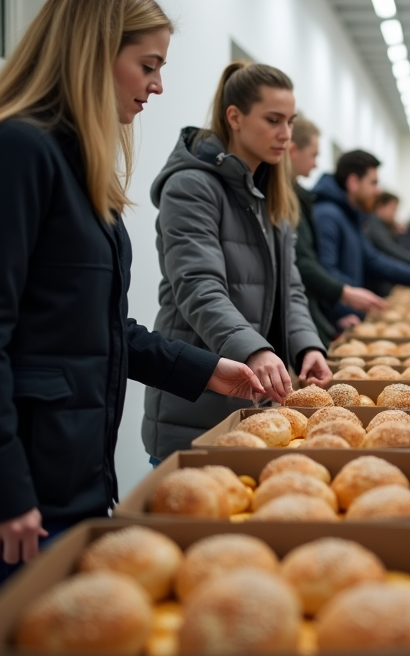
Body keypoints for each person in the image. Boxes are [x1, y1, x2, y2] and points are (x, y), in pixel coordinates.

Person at [0, 0, 263, 619]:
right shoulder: (15, 152)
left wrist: (208, 370)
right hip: (19, 491)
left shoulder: (77, 163)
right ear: (93, 52)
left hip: (73, 476)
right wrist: (1, 491)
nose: (159, 85)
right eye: (147, 65)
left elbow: (104, 330)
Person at [142, 62, 331, 461]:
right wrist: (254, 350)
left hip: (256, 404)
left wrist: (305, 346)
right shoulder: (191, 186)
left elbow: (290, 287)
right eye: (273, 120)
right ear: (235, 117)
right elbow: (198, 286)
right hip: (196, 404)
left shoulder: (270, 193)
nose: (285, 134)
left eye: (290, 122)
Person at [313, 150, 410, 323]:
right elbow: (324, 272)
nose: (377, 191)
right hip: (336, 320)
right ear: (353, 182)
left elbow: (373, 260)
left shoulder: (350, 216)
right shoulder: (328, 215)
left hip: (349, 315)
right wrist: (341, 313)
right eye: (373, 183)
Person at [289, 116, 387, 345]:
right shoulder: (327, 214)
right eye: (314, 155)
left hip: (321, 324)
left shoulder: (347, 214)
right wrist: (337, 312)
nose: (316, 164)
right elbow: (312, 270)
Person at [365, 192, 410, 296]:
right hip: (375, 283)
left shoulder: (386, 226)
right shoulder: (373, 224)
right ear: (380, 207)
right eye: (393, 209)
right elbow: (388, 247)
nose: (395, 213)